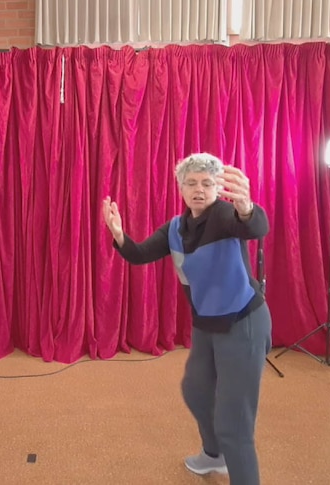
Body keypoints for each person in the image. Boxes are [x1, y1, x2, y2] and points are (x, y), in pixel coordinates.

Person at [102, 152, 271, 485]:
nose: (199, 189)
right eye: (191, 183)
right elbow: (139, 255)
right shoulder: (175, 229)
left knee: (233, 424)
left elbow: (255, 226)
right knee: (195, 390)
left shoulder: (226, 216)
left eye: (207, 183)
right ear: (180, 188)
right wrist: (119, 235)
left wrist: (247, 207)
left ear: (217, 188)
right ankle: (214, 455)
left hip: (243, 322)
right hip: (207, 324)